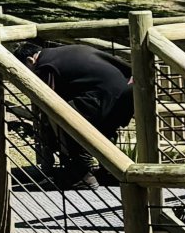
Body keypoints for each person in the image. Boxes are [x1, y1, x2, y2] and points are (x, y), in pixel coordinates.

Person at [26, 39, 133, 187]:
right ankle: (111, 171)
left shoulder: (44, 65)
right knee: (105, 130)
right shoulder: (61, 53)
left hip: (101, 96)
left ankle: (82, 175)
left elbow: (51, 103)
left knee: (66, 120)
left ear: (30, 61)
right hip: (125, 91)